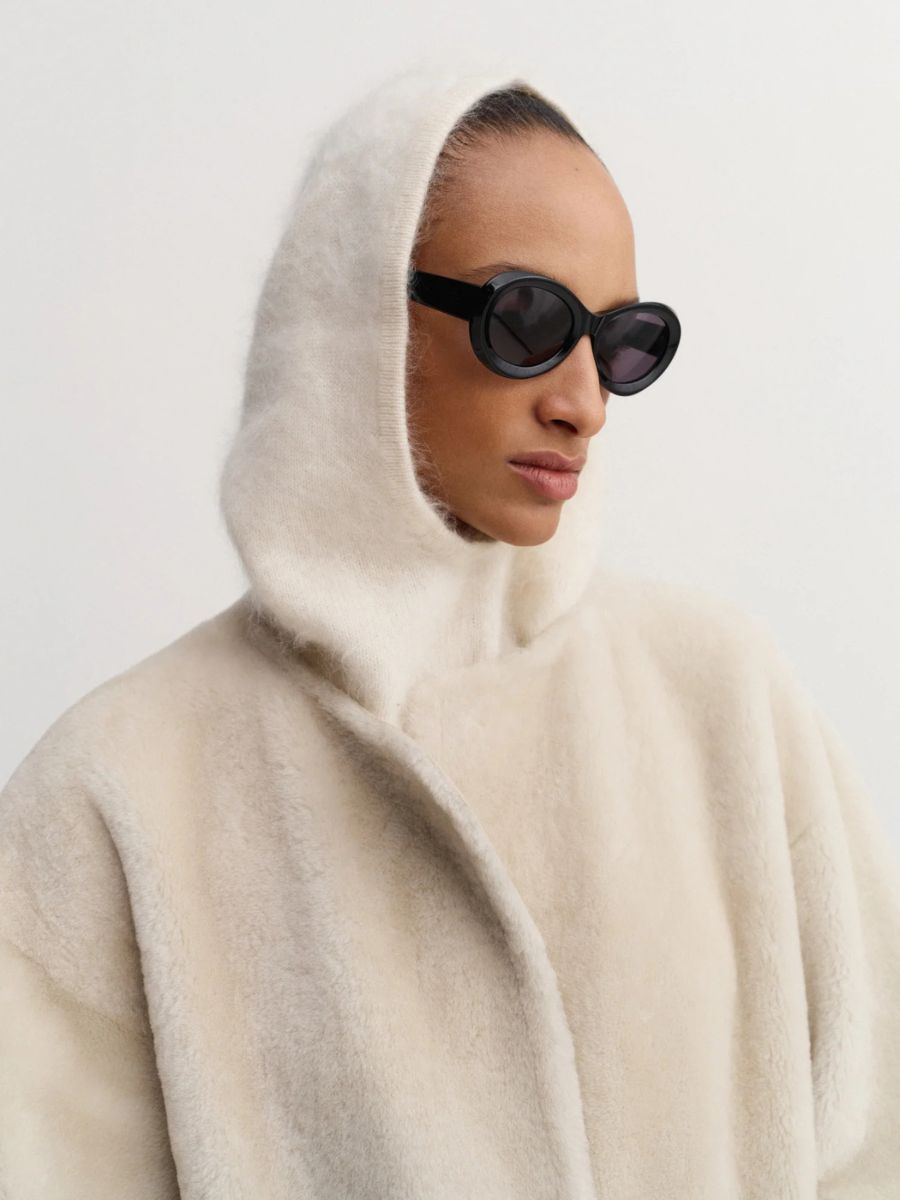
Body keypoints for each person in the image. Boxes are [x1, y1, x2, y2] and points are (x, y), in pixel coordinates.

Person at [1, 62, 898, 1200]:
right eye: (528, 321)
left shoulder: (724, 702)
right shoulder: (117, 789)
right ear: (361, 313)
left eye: (623, 341)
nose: (584, 400)